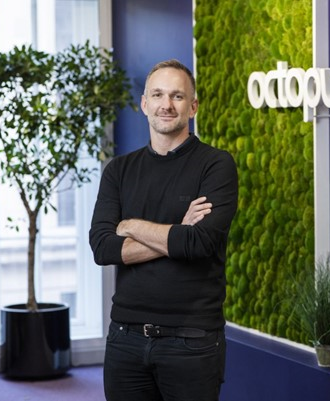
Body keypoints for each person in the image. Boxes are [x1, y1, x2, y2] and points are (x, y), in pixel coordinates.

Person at [89, 59, 238, 401]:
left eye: (177, 96)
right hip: (124, 338)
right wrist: (177, 233)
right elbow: (103, 249)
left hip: (192, 341)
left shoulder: (216, 165)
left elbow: (199, 243)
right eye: (157, 94)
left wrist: (131, 226)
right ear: (144, 104)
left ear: (193, 106)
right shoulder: (118, 170)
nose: (166, 105)